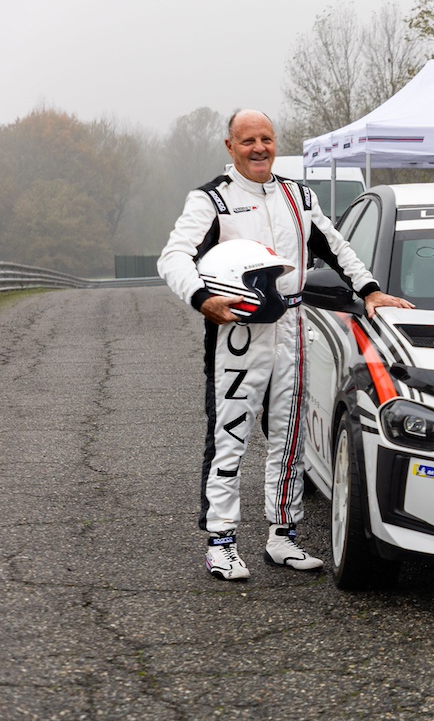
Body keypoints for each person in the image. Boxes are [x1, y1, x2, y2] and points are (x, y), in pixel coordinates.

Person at [159, 109, 413, 580]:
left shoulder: (298, 195)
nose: (260, 148)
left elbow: (337, 246)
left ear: (276, 143)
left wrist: (370, 289)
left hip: (294, 324)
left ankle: (283, 536)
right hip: (238, 332)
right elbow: (173, 256)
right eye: (249, 140)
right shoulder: (211, 199)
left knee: (290, 435)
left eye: (267, 139)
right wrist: (201, 298)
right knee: (229, 438)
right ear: (229, 146)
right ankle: (221, 541)